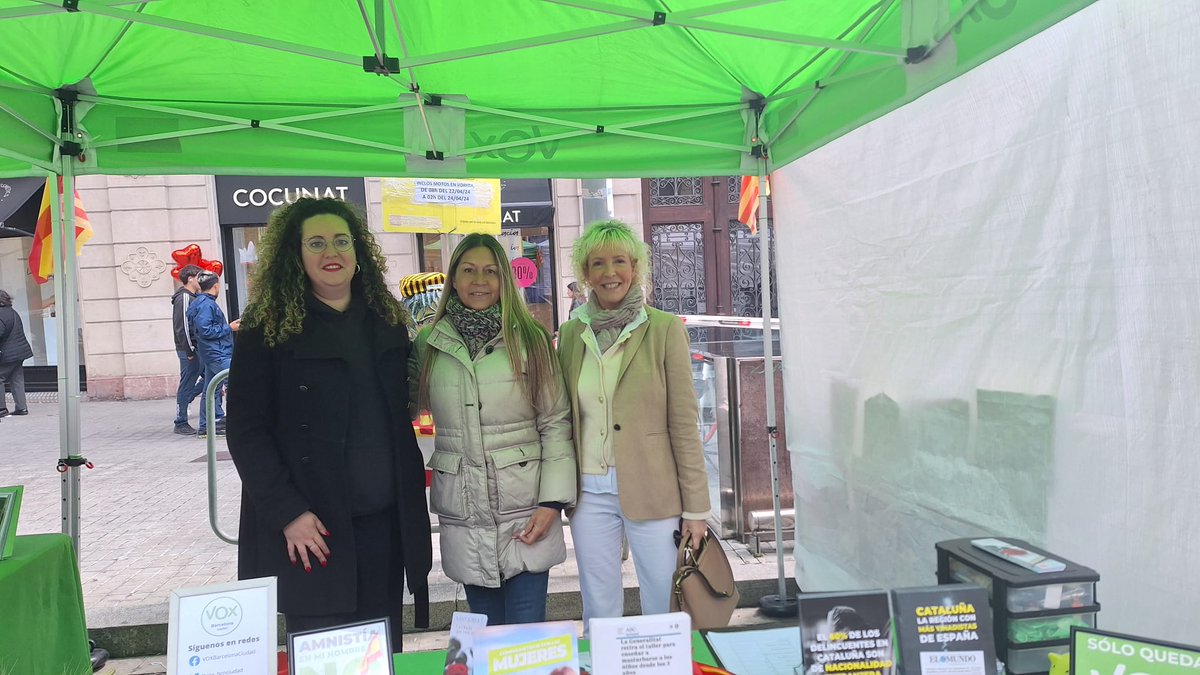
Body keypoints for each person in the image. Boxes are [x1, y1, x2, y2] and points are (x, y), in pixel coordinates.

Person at [225, 197, 431, 647]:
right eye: (315, 243)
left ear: (359, 252)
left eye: (341, 240)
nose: (330, 252)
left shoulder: (387, 318)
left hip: (383, 523)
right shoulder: (267, 326)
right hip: (312, 527)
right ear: (295, 254)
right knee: (324, 651)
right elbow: (245, 430)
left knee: (379, 652)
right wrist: (288, 513)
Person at [411, 234, 575, 626]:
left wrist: (551, 502)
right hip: (466, 512)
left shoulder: (531, 340)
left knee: (527, 632)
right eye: (468, 270)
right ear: (453, 278)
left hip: (526, 511)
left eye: (490, 271)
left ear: (505, 279)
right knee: (485, 631)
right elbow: (402, 409)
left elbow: (555, 422)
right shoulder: (429, 344)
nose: (479, 280)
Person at [556, 220, 711, 629]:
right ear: (585, 273)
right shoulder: (572, 334)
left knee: (662, 603)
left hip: (653, 489)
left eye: (620, 261)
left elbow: (683, 421)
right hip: (588, 491)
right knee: (599, 607)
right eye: (598, 263)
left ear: (636, 267)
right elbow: (565, 417)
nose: (610, 273)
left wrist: (695, 508)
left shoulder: (663, 328)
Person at [186, 271, 238, 438]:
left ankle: (205, 427)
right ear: (216, 286)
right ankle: (236, 422)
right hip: (217, 353)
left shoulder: (200, 302)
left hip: (211, 352)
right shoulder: (207, 305)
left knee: (210, 389)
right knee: (237, 383)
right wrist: (229, 328)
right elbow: (205, 330)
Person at [171, 265, 205, 434]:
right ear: (190, 278)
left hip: (197, 348)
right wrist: (190, 351)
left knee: (211, 378)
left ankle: (188, 399)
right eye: (199, 276)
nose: (201, 280)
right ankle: (181, 421)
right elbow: (182, 327)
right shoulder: (184, 298)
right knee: (187, 383)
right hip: (189, 350)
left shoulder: (193, 297)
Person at [0, 289, 33, 418]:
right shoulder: (12, 312)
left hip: (8, 353)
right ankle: (21, 407)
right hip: (20, 352)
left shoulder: (1, 314)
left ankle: (1, 409)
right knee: (16, 378)